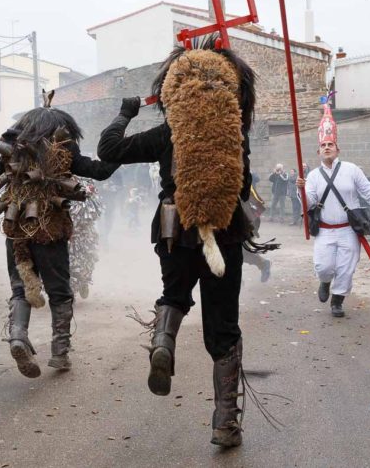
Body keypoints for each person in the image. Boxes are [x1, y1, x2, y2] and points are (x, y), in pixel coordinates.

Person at [97, 38, 262, 448]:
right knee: (222, 327)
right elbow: (242, 185)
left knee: (173, 295)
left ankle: (163, 342)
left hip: (174, 228)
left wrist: (124, 113)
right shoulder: (234, 132)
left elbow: (108, 150)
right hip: (224, 232)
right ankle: (226, 423)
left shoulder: (168, 131)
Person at [0, 96, 117, 377]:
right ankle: (59, 353)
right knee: (59, 291)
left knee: (20, 287)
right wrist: (118, 147)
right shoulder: (63, 149)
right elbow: (99, 171)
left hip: (17, 228)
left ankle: (18, 336)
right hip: (49, 228)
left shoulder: (14, 150)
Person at [299, 100, 370, 316]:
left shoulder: (352, 169)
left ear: (337, 149)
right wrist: (301, 190)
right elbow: (308, 204)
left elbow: (369, 190)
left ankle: (337, 301)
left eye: (330, 145)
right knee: (323, 267)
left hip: (348, 230)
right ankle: (325, 282)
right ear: (319, 151)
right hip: (324, 230)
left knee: (346, 268)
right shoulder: (314, 176)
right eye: (323, 146)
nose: (327, 148)